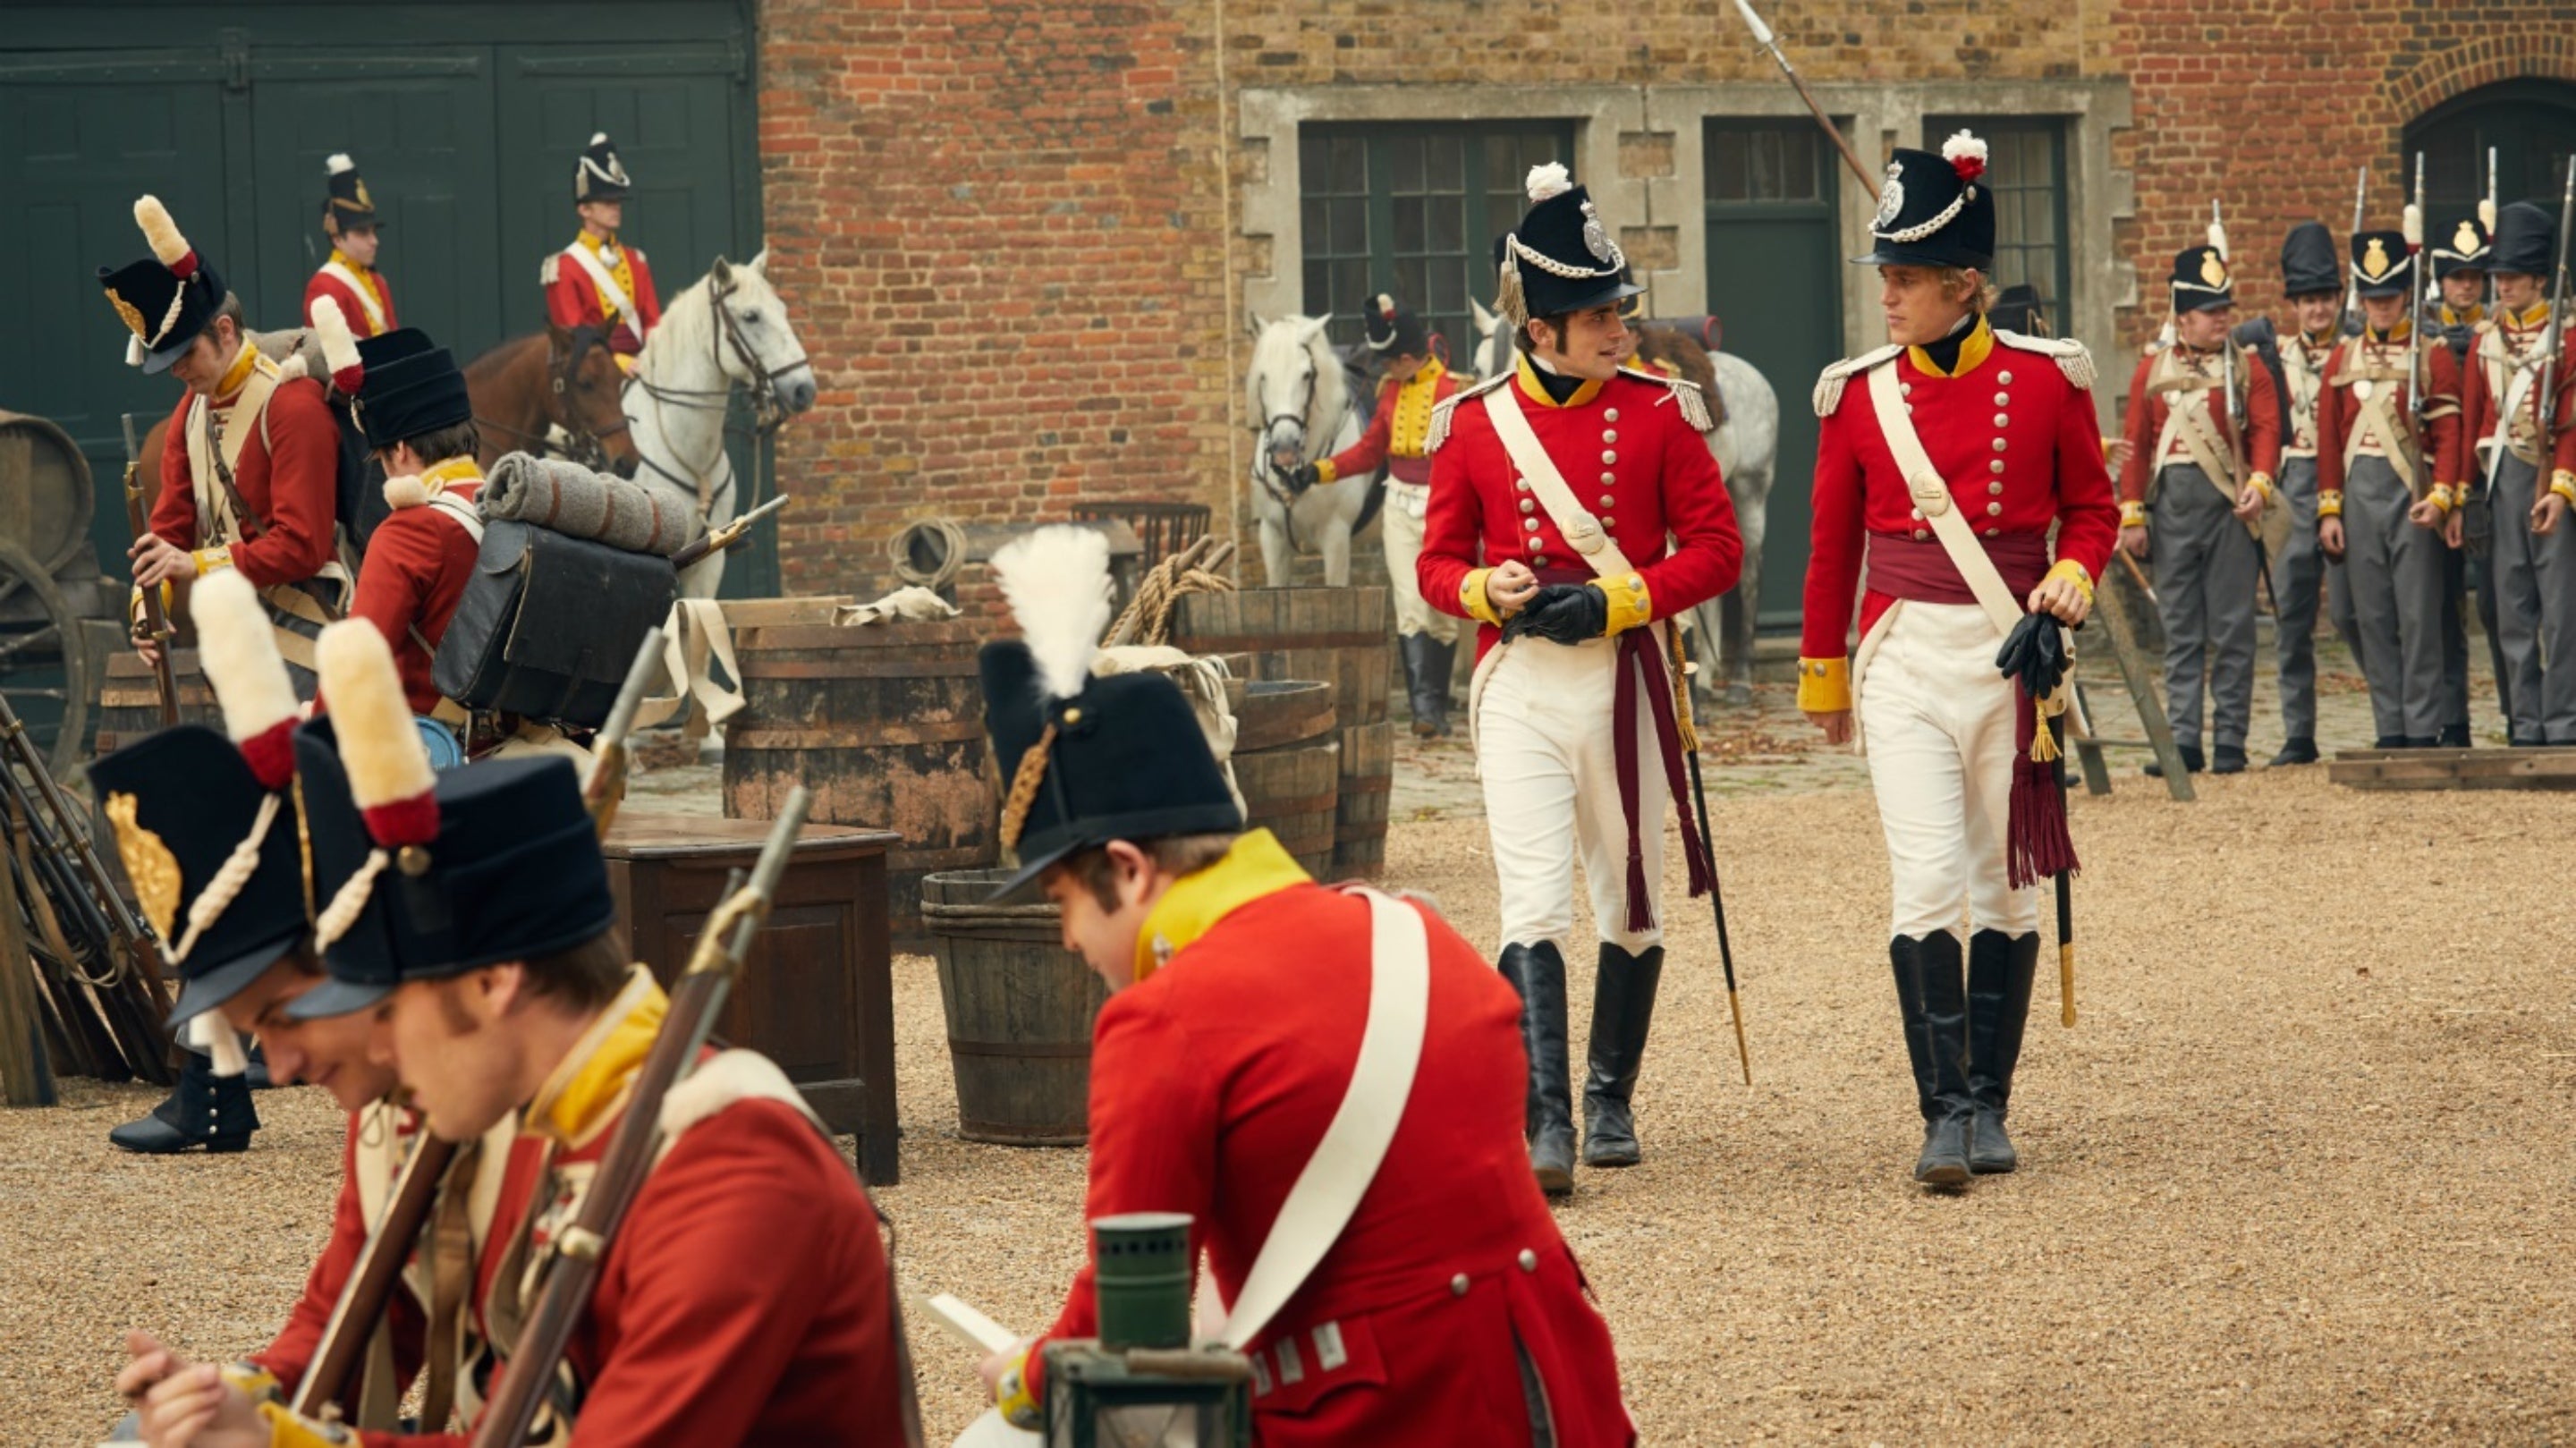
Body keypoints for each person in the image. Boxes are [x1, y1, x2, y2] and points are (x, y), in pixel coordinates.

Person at [126, 618, 914, 1448]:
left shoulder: (729, 1171)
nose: (383, 1049)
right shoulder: (534, 1103)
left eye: (390, 1008)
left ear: (494, 981)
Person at [968, 527, 1633, 1444]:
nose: (1070, 938)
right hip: (1562, 1394)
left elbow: (1128, 1322)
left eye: (1062, 901)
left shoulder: (1162, 1020)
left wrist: (1021, 1374)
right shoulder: (1419, 934)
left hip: (1380, 1416)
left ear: (1126, 869)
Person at [109, 571, 514, 1430]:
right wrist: (237, 1397)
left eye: (284, 1015)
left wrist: (280, 1437)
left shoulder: (684, 1166)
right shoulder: (399, 1114)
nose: (280, 1067)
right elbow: (355, 1321)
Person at [1799, 132, 2118, 1185]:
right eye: (1885, 278)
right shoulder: (1856, 395)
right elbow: (1832, 545)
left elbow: (2092, 511)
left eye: (1905, 280)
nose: (1886, 298)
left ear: (1963, 284)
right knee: (1927, 877)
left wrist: (2073, 577)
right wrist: (1824, 671)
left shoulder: (2048, 381)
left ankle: (1991, 1102)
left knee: (2004, 886)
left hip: (2012, 657)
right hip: (1901, 656)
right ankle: (1942, 1113)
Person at [1417, 163, 1741, 1193]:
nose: (1621, 330)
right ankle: (1546, 1118)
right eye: (1598, 315)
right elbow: (1433, 564)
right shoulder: (1471, 424)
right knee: (1530, 904)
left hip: (1625, 678)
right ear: (1540, 327)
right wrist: (1482, 584)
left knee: (1630, 904)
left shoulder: (1658, 412)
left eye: (1620, 310)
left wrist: (1617, 599)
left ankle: (1609, 1092)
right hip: (1520, 683)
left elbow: (1717, 549)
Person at [106, 195, 348, 691]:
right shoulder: (190, 412)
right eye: (166, 358)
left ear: (224, 330)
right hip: (240, 634)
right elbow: (170, 531)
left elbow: (303, 547)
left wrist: (193, 563)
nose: (176, 369)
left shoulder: (293, 405)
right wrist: (148, 609)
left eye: (185, 353)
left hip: (306, 630)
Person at [2115, 240, 2283, 775]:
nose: (2220, 320)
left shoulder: (2247, 367)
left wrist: (2259, 484)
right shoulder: (2152, 368)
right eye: (2210, 312)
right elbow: (2137, 444)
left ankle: (2230, 740)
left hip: (2228, 509)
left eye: (2224, 310)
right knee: (2181, 629)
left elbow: (2266, 430)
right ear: (2182, 316)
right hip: (2172, 513)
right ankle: (2184, 740)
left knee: (2232, 627)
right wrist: (2133, 512)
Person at [1282, 295, 1464, 735]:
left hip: (1444, 506)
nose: (1383, 371)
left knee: (1442, 612)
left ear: (1405, 358)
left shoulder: (1455, 392)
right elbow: (1368, 452)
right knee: (1409, 603)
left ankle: (1437, 706)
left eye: (1387, 363)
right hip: (1399, 502)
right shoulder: (1391, 393)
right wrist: (1317, 472)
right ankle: (1424, 712)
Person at [2317, 224, 2467, 749]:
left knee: (2419, 614)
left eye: (2391, 297)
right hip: (2357, 497)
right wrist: (2330, 510)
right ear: (2361, 298)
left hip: (2413, 494)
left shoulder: (2433, 355)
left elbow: (2450, 433)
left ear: (2406, 294)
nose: (2382, 307)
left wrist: (2443, 495)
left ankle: (2424, 726)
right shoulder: (2341, 358)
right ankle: (2391, 724)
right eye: (2373, 298)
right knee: (2371, 614)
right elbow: (2328, 442)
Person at [316, 309, 487, 718]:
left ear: (401, 449)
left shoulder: (411, 530)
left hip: (442, 760)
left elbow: (357, 669)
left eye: (381, 458)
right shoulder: (511, 504)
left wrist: (311, 734)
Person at [2457, 200, 2576, 745]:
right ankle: (2524, 721)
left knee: (2561, 609)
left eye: (2511, 277)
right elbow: (2470, 421)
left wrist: (2561, 486)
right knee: (2511, 606)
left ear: (2537, 278)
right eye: (2498, 276)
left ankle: (2564, 719)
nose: (2501, 286)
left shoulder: (2567, 338)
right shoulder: (2485, 341)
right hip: (2503, 477)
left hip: (2553, 482)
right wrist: (2459, 495)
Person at [2264, 222, 2348, 765]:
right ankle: (2299, 733)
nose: (2317, 310)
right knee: (2291, 614)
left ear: (2339, 299)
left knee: (2356, 611)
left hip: (2348, 484)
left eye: (2325, 299)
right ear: (2293, 305)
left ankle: (2399, 721)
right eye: (2307, 300)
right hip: (2294, 483)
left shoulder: (2360, 347)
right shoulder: (2272, 355)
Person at [2428, 215, 2495, 746]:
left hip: (2491, 483)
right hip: (2437, 483)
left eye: (2474, 275)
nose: (2466, 285)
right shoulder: (2421, 337)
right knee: (2444, 606)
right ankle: (2452, 720)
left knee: (2499, 604)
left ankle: (2527, 718)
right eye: (2456, 276)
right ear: (2441, 280)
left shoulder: (2501, 330)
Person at [542, 132, 661, 371]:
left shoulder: (636, 260)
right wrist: (622, 363)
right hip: (594, 376)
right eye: (607, 202)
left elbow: (652, 323)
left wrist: (655, 358)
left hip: (644, 367)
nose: (616, 208)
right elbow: (573, 340)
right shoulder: (564, 268)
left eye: (618, 202)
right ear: (584, 209)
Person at [305, 153, 397, 338]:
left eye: (373, 232)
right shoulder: (324, 287)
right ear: (337, 238)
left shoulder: (377, 281)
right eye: (363, 233)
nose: (374, 241)